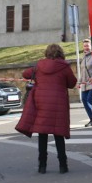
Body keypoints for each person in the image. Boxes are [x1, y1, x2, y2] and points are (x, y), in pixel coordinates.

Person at [21, 44, 77, 174]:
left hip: (42, 103)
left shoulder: (40, 66)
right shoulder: (64, 67)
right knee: (58, 135)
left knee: (42, 134)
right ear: (60, 53)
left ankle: (42, 166)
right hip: (59, 103)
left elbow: (25, 74)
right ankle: (63, 165)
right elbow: (72, 83)